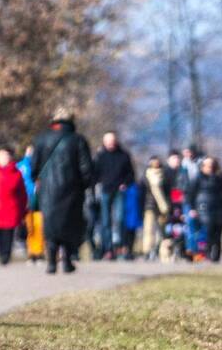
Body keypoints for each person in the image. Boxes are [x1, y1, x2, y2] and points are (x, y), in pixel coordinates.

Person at [31, 108, 93, 274]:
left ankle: (51, 262)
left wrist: (37, 180)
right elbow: (86, 167)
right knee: (69, 224)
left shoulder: (41, 139)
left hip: (47, 189)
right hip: (72, 189)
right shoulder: (78, 140)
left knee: (50, 224)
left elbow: (33, 165)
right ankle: (67, 261)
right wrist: (86, 185)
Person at [93, 131, 135, 260]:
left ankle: (121, 248)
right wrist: (97, 184)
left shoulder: (123, 155)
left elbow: (131, 174)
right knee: (105, 221)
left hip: (119, 191)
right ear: (104, 142)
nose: (110, 144)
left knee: (120, 219)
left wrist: (125, 184)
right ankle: (107, 249)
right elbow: (94, 174)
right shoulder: (100, 156)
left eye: (112, 141)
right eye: (108, 141)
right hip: (105, 191)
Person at [187, 156, 222, 262]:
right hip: (204, 208)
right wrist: (192, 208)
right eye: (207, 165)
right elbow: (190, 194)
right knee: (208, 232)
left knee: (218, 233)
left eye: (212, 165)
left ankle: (217, 255)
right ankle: (208, 253)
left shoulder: (220, 177)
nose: (210, 167)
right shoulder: (198, 177)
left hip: (219, 208)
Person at [141, 156, 171, 260]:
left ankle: (160, 250)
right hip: (149, 205)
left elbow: (168, 191)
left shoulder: (165, 175)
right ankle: (147, 250)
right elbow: (142, 191)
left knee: (162, 230)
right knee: (148, 229)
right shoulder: (146, 176)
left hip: (162, 207)